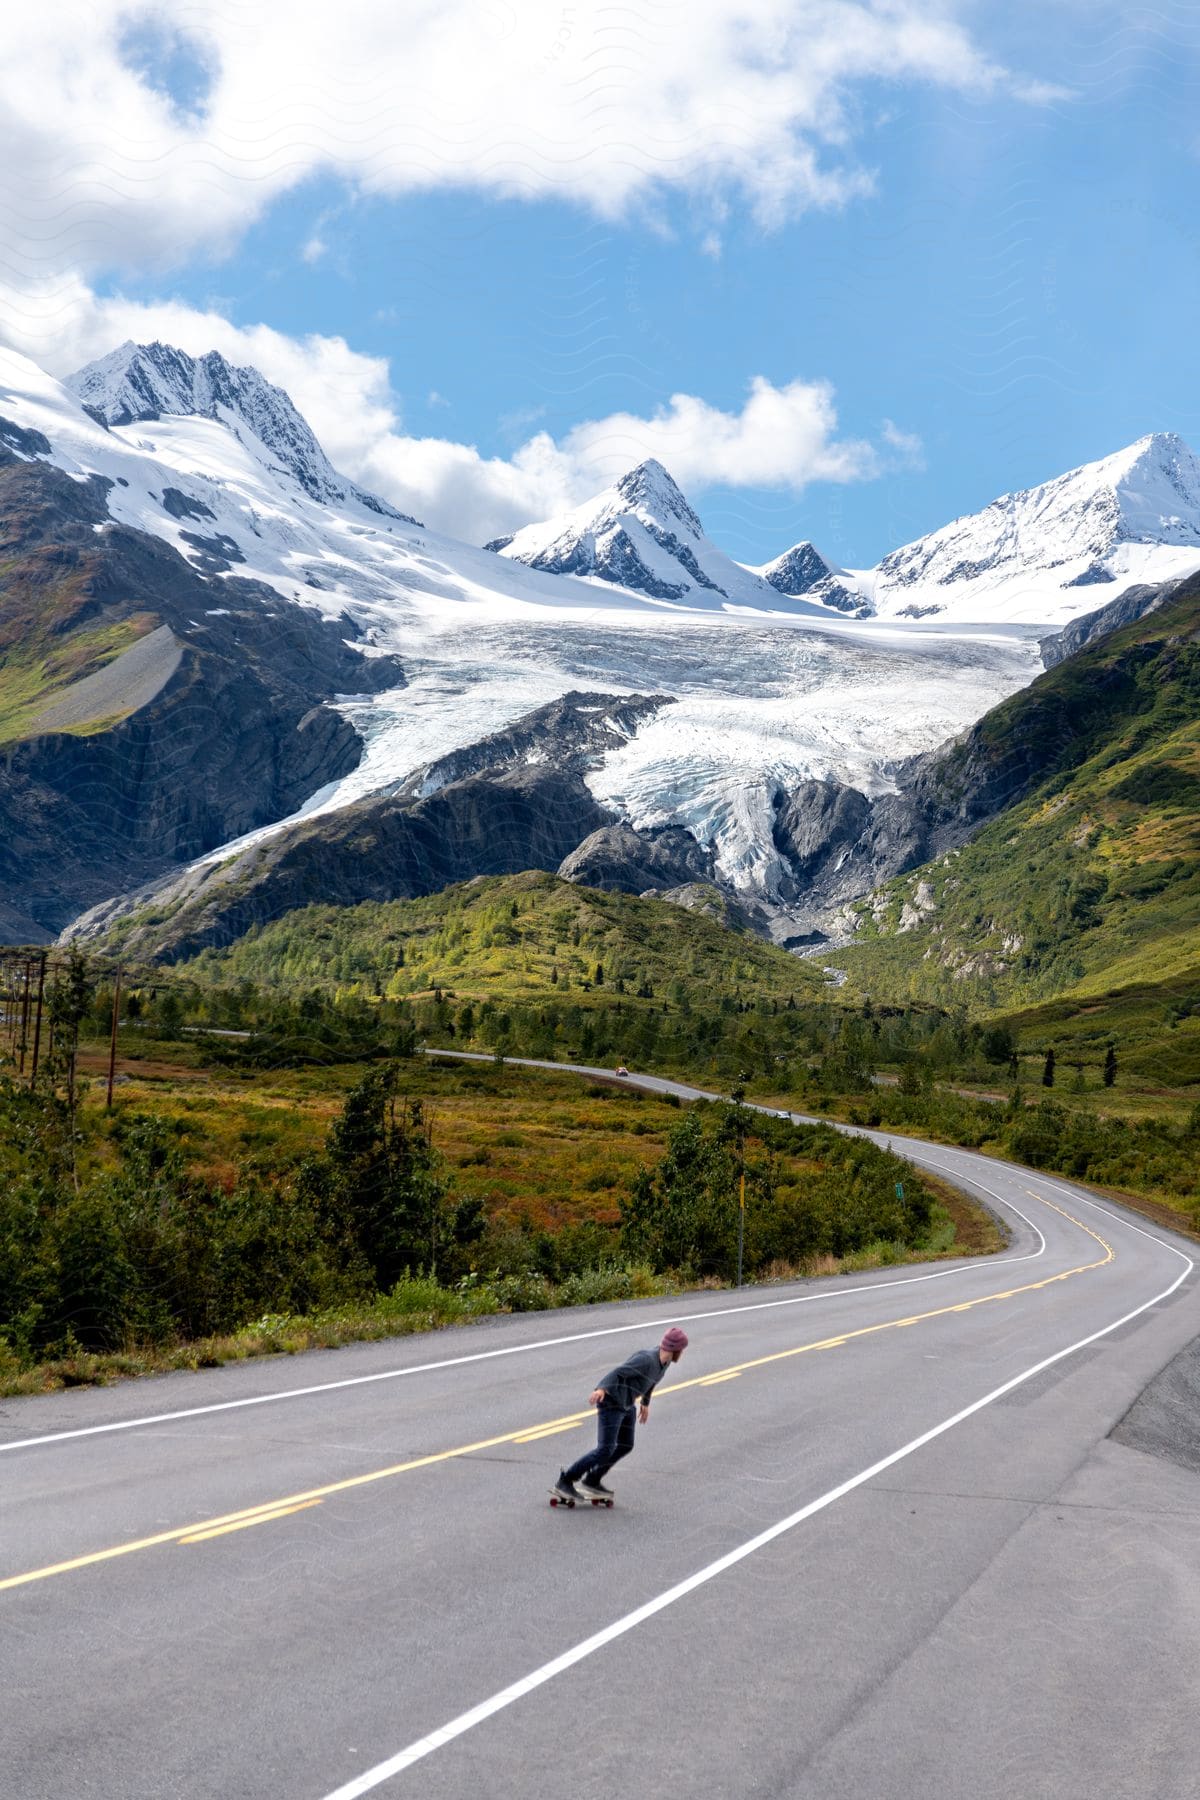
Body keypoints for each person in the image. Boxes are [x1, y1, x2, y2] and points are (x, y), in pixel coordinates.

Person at [552, 1326, 689, 1503]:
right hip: (611, 1402)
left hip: (627, 1403)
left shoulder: (665, 1362)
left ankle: (592, 1479)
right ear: (674, 1349)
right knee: (605, 1449)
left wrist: (645, 1403)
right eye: (682, 1349)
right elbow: (618, 1371)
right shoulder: (646, 1359)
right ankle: (566, 1479)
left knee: (625, 1445)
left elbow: (653, 1380)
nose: (683, 1352)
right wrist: (601, 1389)